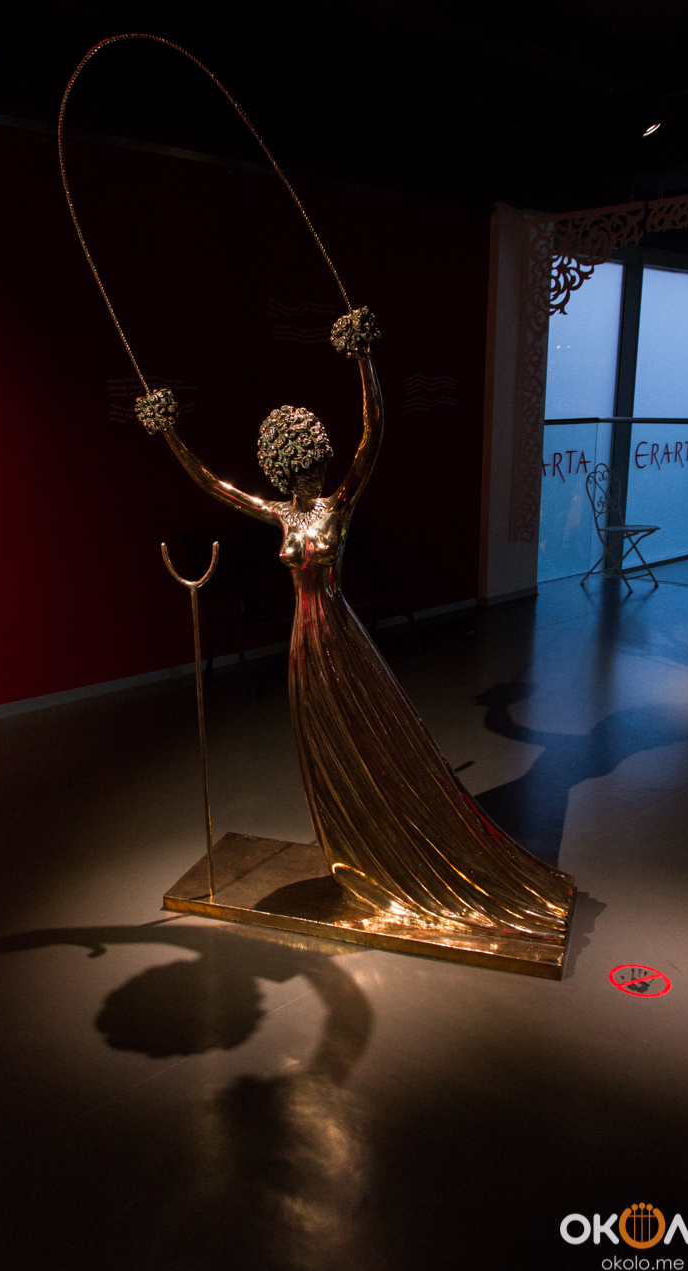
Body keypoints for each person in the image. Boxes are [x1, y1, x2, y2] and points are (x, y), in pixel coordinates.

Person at [137, 307, 572, 944]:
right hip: (302, 643)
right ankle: (354, 840)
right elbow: (212, 485)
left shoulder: (338, 505)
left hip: (339, 634)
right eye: (302, 467)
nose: (314, 473)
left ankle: (394, 841)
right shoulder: (280, 516)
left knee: (372, 734)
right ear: (284, 470)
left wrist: (364, 359)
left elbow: (374, 433)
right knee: (326, 747)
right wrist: (171, 432)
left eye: (317, 462)